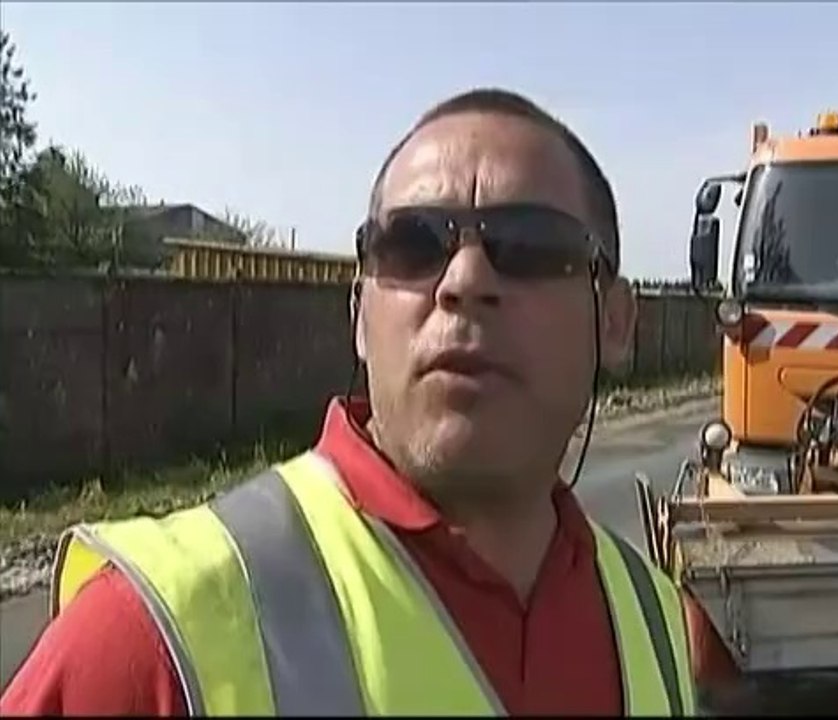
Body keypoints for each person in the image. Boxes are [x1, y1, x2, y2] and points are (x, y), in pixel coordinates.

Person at [0, 88, 738, 716]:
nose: (461, 281)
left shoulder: (656, 622)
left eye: (532, 245)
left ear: (615, 321)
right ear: (360, 314)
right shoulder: (161, 634)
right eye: (414, 244)